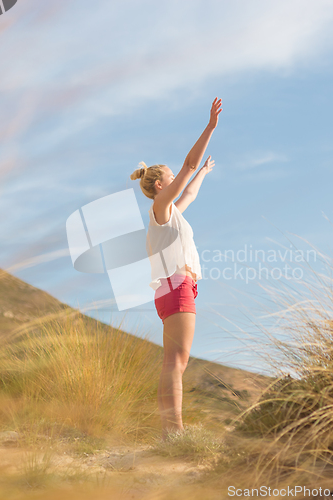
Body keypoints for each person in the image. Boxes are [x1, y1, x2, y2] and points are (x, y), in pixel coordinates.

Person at [130, 97, 222, 438]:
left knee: (174, 361)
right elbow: (186, 164)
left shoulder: (170, 213)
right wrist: (210, 127)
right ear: (160, 186)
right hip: (175, 285)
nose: (178, 179)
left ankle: (170, 430)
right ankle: (175, 431)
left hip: (171, 288)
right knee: (176, 362)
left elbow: (191, 193)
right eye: (172, 178)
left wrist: (203, 173)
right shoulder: (160, 206)